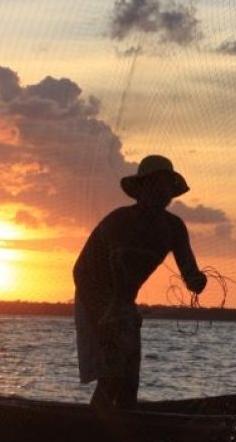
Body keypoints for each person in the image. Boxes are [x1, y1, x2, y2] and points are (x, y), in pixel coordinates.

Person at [73, 154, 208, 410]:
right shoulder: (119, 221)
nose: (161, 192)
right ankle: (92, 431)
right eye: (156, 185)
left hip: (124, 303)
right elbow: (82, 272)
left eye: (166, 185)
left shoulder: (174, 228)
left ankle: (125, 433)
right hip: (94, 297)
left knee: (129, 380)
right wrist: (103, 318)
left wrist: (198, 282)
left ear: (171, 190)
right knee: (111, 375)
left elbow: (190, 274)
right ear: (142, 189)